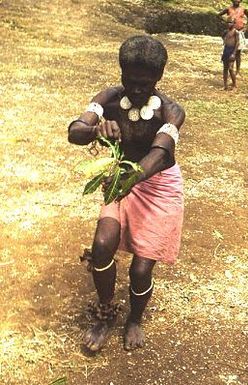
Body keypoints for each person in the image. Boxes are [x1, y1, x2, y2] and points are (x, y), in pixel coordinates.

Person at [68, 35, 185, 352]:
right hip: (121, 180)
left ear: (158, 77)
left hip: (158, 187)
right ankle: (105, 313)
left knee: (140, 268)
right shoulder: (107, 98)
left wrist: (132, 177)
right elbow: (74, 131)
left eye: (143, 84)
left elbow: (161, 153)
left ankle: (135, 318)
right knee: (102, 245)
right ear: (121, 72)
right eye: (129, 81)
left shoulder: (171, 112)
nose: (134, 90)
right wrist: (95, 129)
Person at [218, 0, 248, 75]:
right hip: (230, 32)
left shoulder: (243, 9)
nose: (237, 1)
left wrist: (245, 27)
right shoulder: (228, 9)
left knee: (238, 52)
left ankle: (237, 71)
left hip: (240, 31)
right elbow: (219, 15)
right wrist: (226, 22)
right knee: (230, 49)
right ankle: (230, 69)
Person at [221, 19, 239, 90]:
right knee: (225, 68)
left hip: (232, 50)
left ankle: (234, 84)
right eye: (228, 22)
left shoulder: (236, 32)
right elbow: (223, 37)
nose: (229, 24)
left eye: (231, 22)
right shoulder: (226, 31)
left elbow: (237, 43)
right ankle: (225, 85)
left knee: (231, 68)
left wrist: (234, 53)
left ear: (234, 24)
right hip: (226, 49)